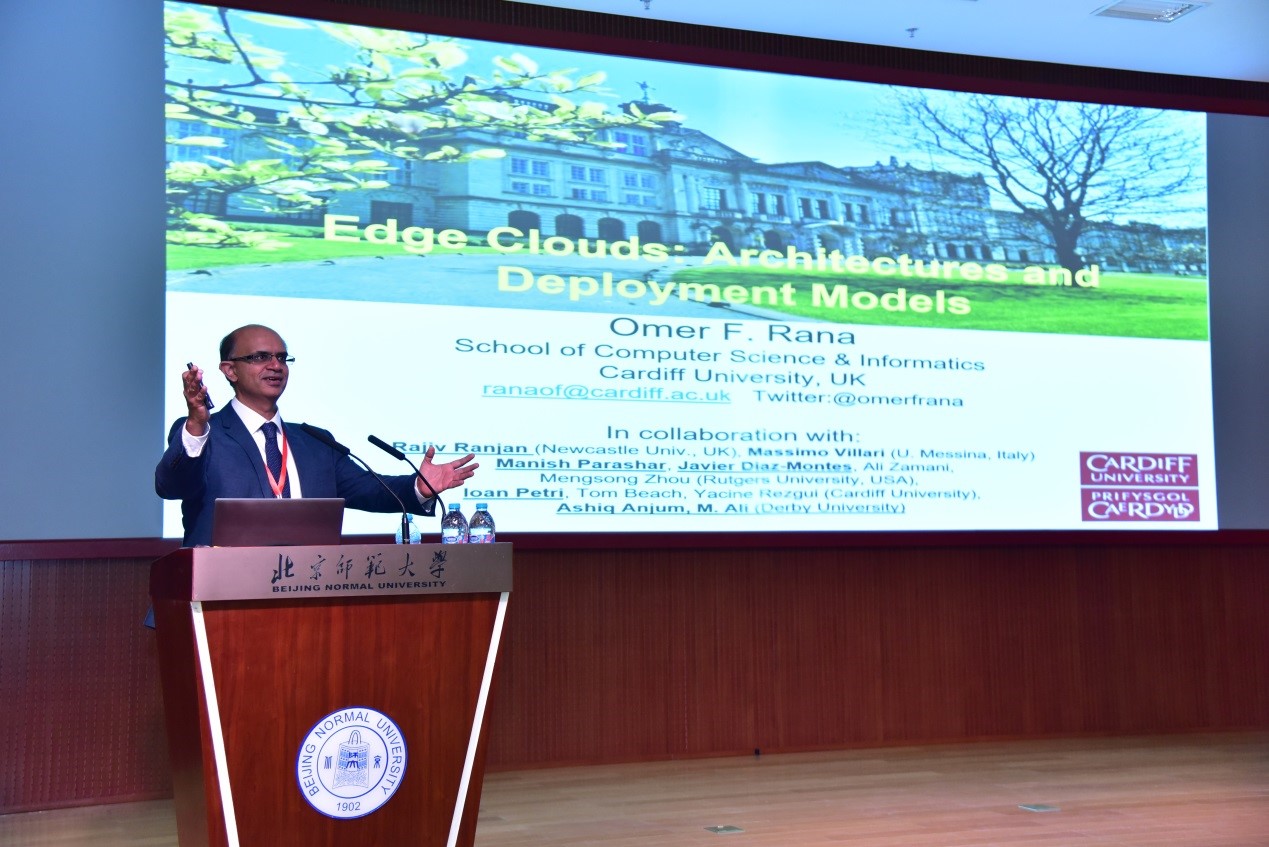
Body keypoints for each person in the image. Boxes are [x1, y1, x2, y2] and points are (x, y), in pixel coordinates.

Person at [156, 324, 476, 546]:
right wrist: (196, 423)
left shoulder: (315, 443)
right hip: (218, 597)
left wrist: (419, 486)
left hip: (305, 597)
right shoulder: (203, 435)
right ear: (229, 370)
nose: (275, 365)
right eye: (260, 357)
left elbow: (371, 490)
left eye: (282, 358)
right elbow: (172, 486)